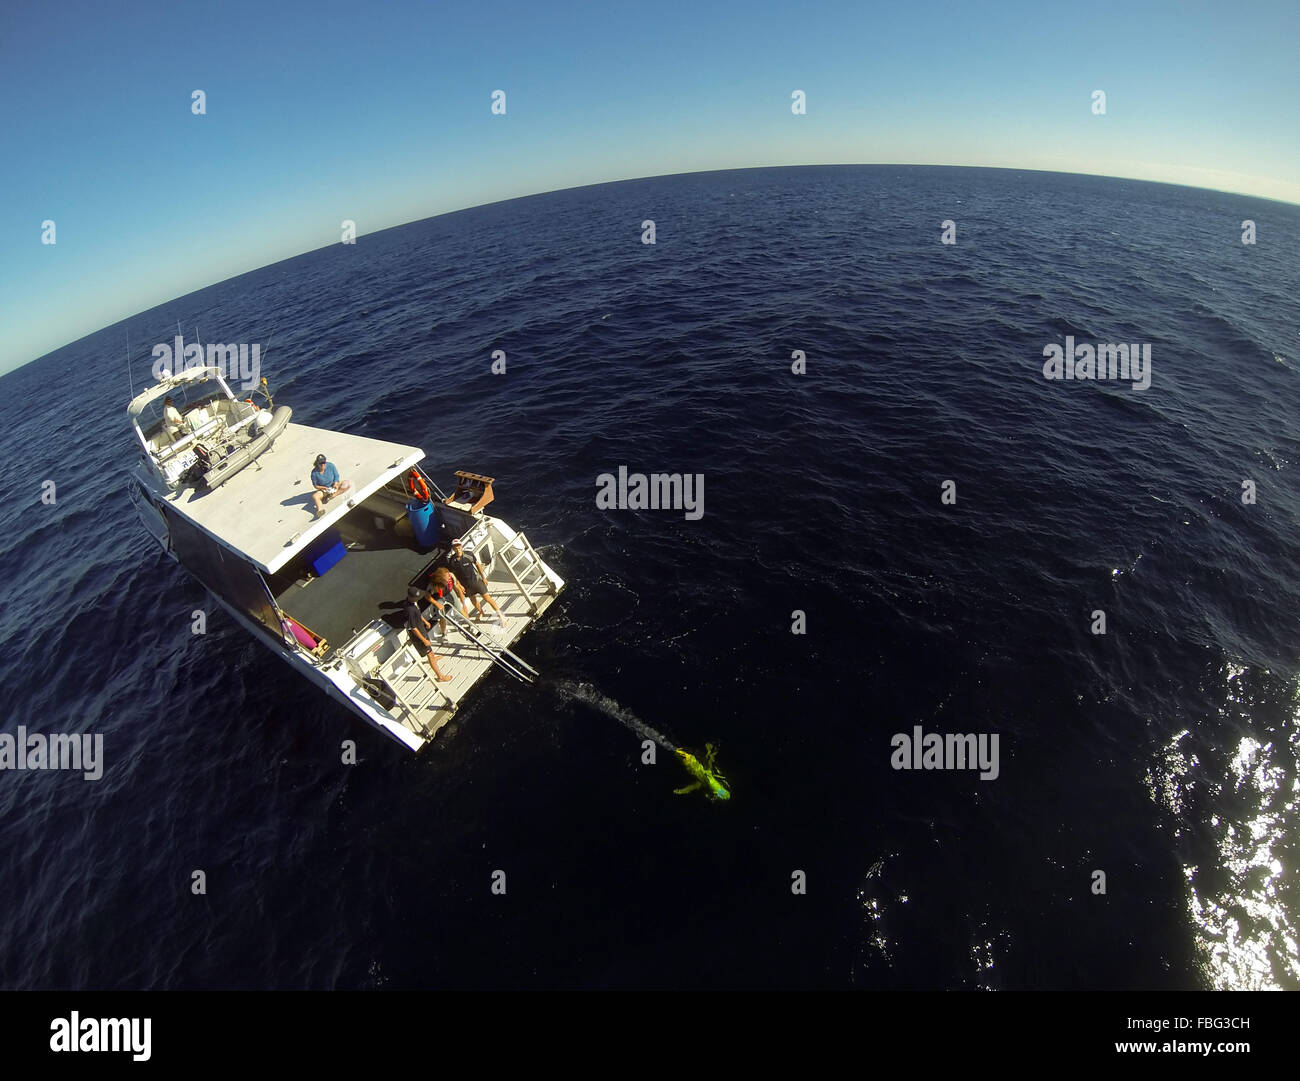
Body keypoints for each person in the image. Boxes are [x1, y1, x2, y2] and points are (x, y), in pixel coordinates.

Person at [446, 538, 504, 626]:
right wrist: (459, 585)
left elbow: (477, 565)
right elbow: (454, 575)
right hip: (466, 586)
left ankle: (500, 615)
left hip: (476, 581)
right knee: (473, 601)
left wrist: (483, 578)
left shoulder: (469, 554)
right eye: (455, 547)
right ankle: (481, 612)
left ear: (461, 546)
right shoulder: (452, 561)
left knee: (487, 598)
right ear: (453, 548)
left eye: (458, 546)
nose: (457, 548)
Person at [405, 586, 452, 682]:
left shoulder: (412, 604)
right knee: (429, 654)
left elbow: (417, 613)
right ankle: (440, 676)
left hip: (421, 630)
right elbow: (413, 628)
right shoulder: (409, 610)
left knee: (430, 652)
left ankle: (433, 658)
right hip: (418, 636)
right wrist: (424, 640)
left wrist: (425, 621)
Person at [426, 566, 470, 637]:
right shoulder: (432, 584)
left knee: (460, 609)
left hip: (449, 592)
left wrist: (463, 604)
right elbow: (427, 596)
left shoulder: (451, 576)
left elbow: (458, 588)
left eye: (448, 576)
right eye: (446, 578)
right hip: (438, 597)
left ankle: (470, 624)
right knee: (441, 615)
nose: (448, 578)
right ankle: (444, 633)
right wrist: (436, 604)